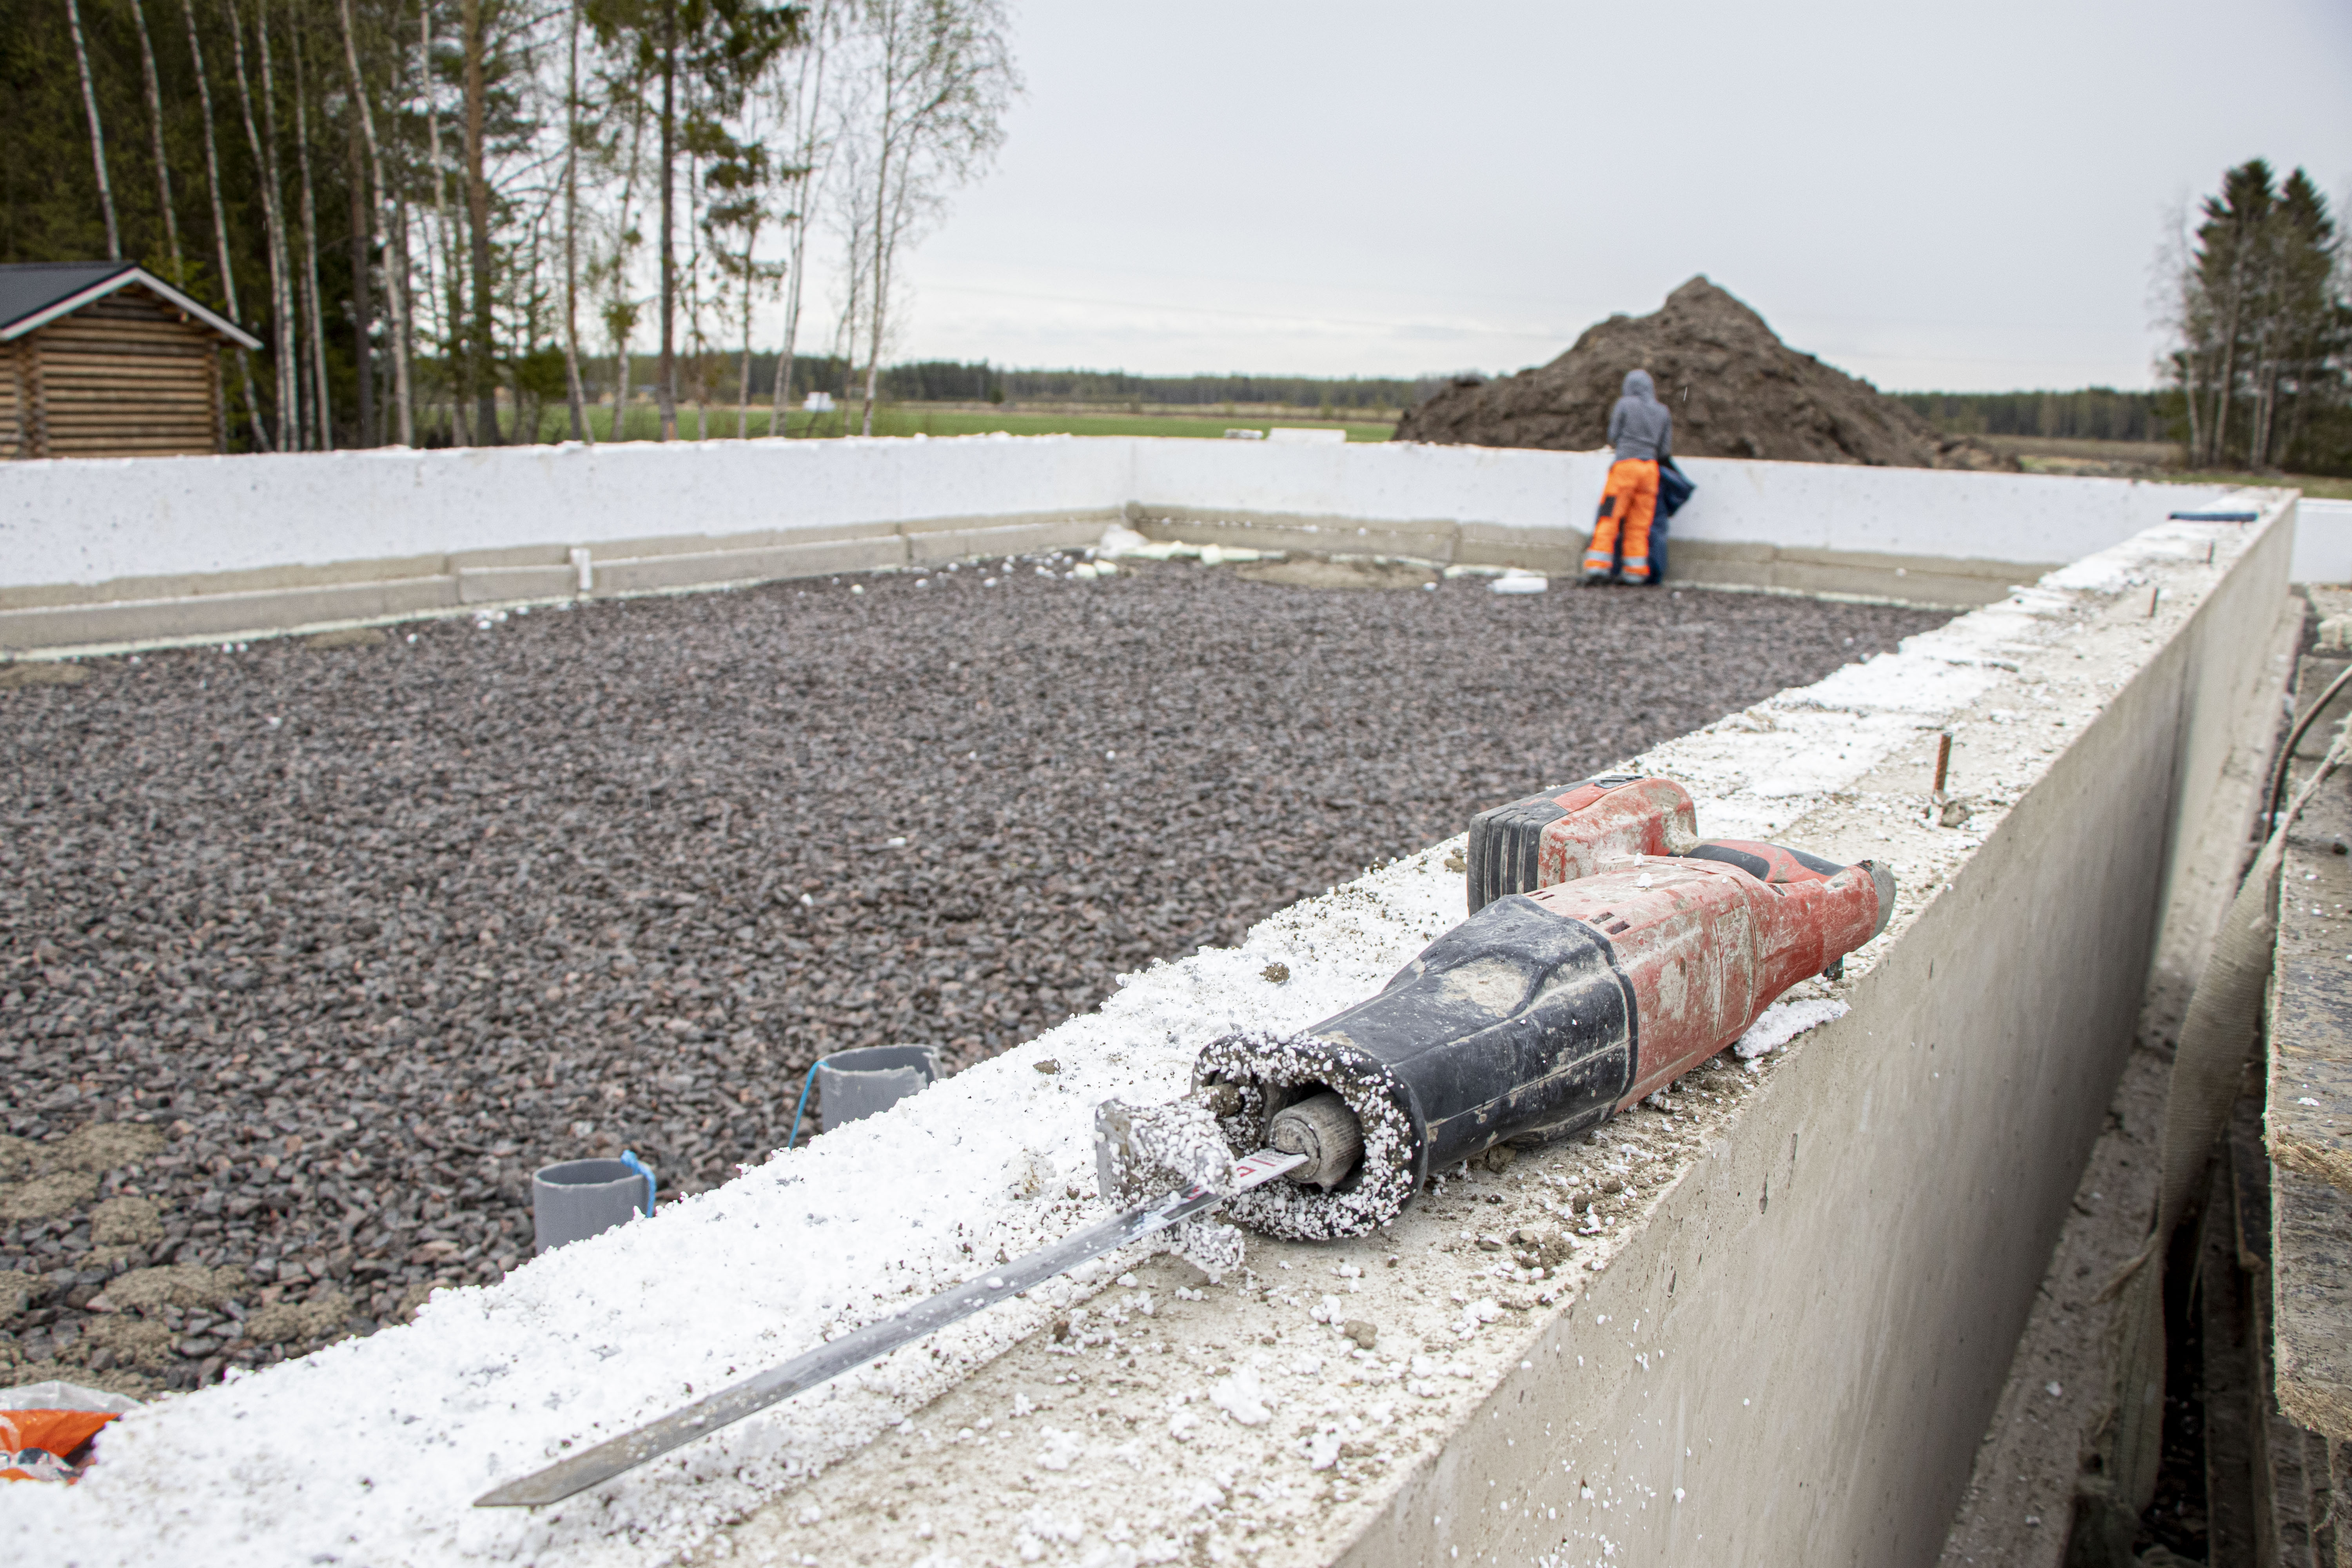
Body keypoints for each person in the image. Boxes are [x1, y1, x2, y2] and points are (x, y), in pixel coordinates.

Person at [1584, 369, 1672, 585]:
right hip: (1650, 471)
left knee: (1610, 517)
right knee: (1640, 524)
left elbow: (1613, 435)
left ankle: (1598, 569)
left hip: (1625, 468)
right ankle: (1635, 573)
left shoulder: (1624, 404)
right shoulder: (1663, 411)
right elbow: (1664, 450)